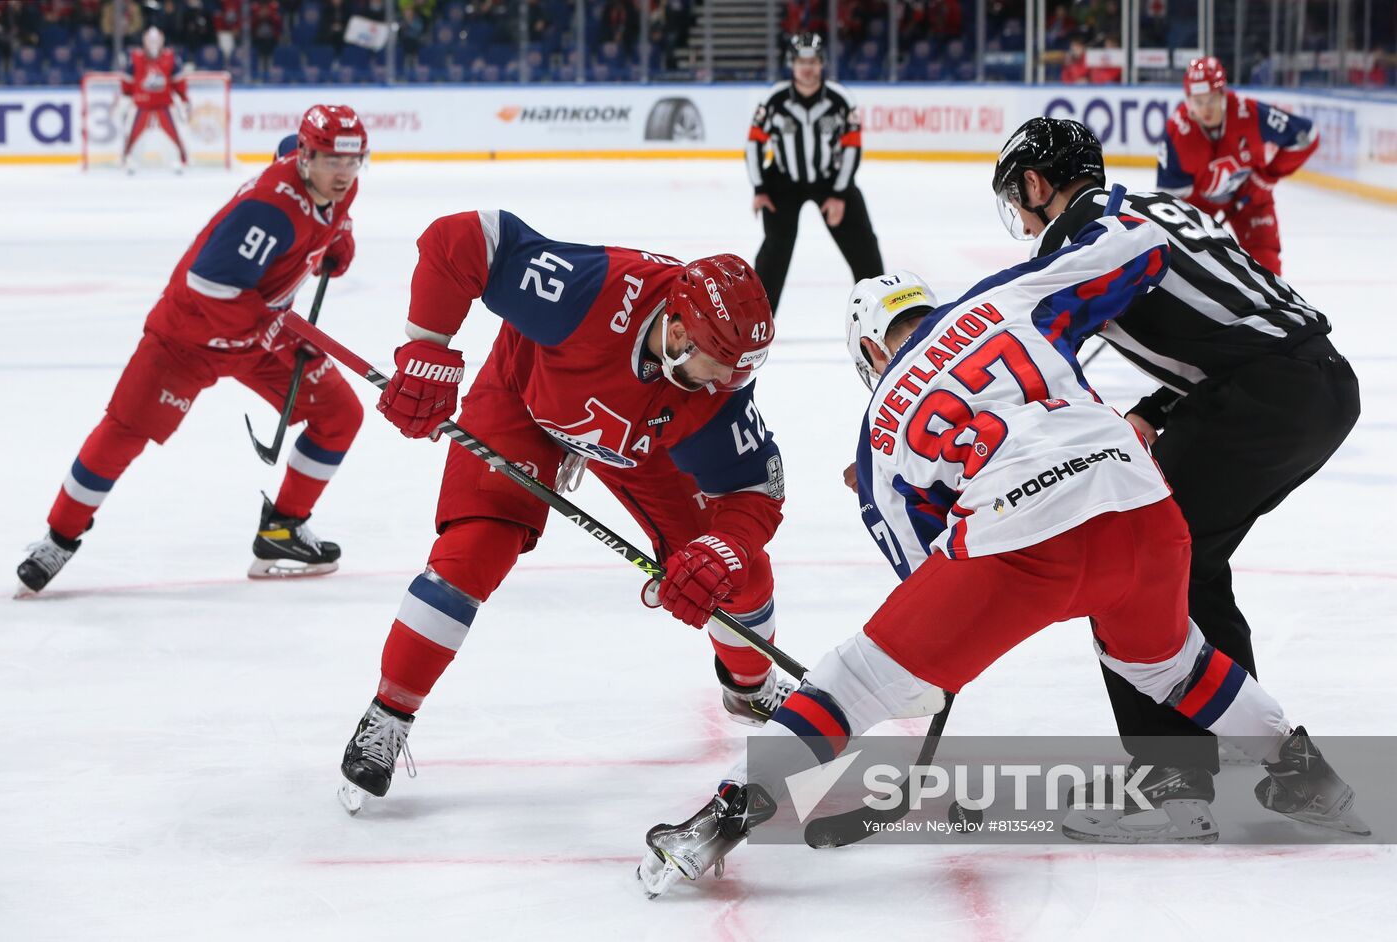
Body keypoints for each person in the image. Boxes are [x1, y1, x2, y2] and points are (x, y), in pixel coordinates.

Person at [638, 214, 1366, 898]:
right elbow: (1136, 243)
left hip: (1020, 544)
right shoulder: (1002, 298)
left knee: (853, 678)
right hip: (1142, 504)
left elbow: (923, 577)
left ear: (868, 350)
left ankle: (720, 820)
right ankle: (1304, 771)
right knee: (1169, 663)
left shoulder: (879, 434)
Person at [335, 212, 793, 813]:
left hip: (639, 441)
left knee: (738, 569)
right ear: (678, 333)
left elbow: (756, 487)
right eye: (721, 363)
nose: (730, 383)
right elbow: (462, 240)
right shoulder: (591, 291)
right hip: (524, 399)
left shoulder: (717, 391)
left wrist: (722, 547)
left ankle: (751, 686)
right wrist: (426, 351)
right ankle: (388, 714)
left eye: (743, 367)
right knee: (472, 554)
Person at [992, 117, 1360, 841]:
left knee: (1128, 564)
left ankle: (1172, 778)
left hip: (1258, 399)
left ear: (1037, 184)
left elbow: (1014, 347)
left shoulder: (1078, 247)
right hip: (1323, 383)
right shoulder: (1160, 203)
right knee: (1190, 563)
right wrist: (1157, 408)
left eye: (1018, 193)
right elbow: (1239, 319)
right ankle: (1273, 768)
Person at [15, 106, 366, 596]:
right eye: (332, 160)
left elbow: (296, 160)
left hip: (259, 331)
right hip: (189, 336)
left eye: (354, 161)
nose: (345, 173)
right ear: (307, 158)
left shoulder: (332, 183)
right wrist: (273, 328)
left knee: (340, 414)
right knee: (124, 432)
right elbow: (209, 285)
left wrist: (338, 236)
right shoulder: (269, 208)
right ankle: (58, 539)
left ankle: (283, 530)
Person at [746, 32, 883, 315]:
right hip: (782, 184)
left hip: (830, 182)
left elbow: (852, 149)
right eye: (800, 61)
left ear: (822, 63)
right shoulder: (773, 99)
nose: (807, 67)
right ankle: (755, 322)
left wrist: (838, 194)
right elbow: (753, 144)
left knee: (864, 246)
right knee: (774, 252)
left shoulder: (841, 99)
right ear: (791, 64)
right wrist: (760, 188)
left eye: (813, 61)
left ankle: (883, 314)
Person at [1157, 56, 1319, 274]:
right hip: (1198, 204)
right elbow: (1170, 201)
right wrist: (1190, 231)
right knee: (1192, 270)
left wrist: (1265, 177)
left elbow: (1306, 136)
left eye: (1212, 99)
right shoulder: (1178, 130)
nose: (1206, 109)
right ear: (1188, 100)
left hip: (1251, 197)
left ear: (1223, 93)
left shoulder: (1248, 112)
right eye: (1199, 101)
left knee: (1267, 269)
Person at [119, 26, 190, 172]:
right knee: (131, 135)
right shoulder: (134, 58)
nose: (153, 43)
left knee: (176, 134)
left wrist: (183, 100)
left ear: (162, 40)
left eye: (156, 40)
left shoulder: (171, 58)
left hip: (164, 105)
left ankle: (180, 159)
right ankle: (128, 159)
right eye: (150, 40)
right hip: (141, 105)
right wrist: (125, 101)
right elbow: (127, 84)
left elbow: (179, 84)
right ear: (144, 40)